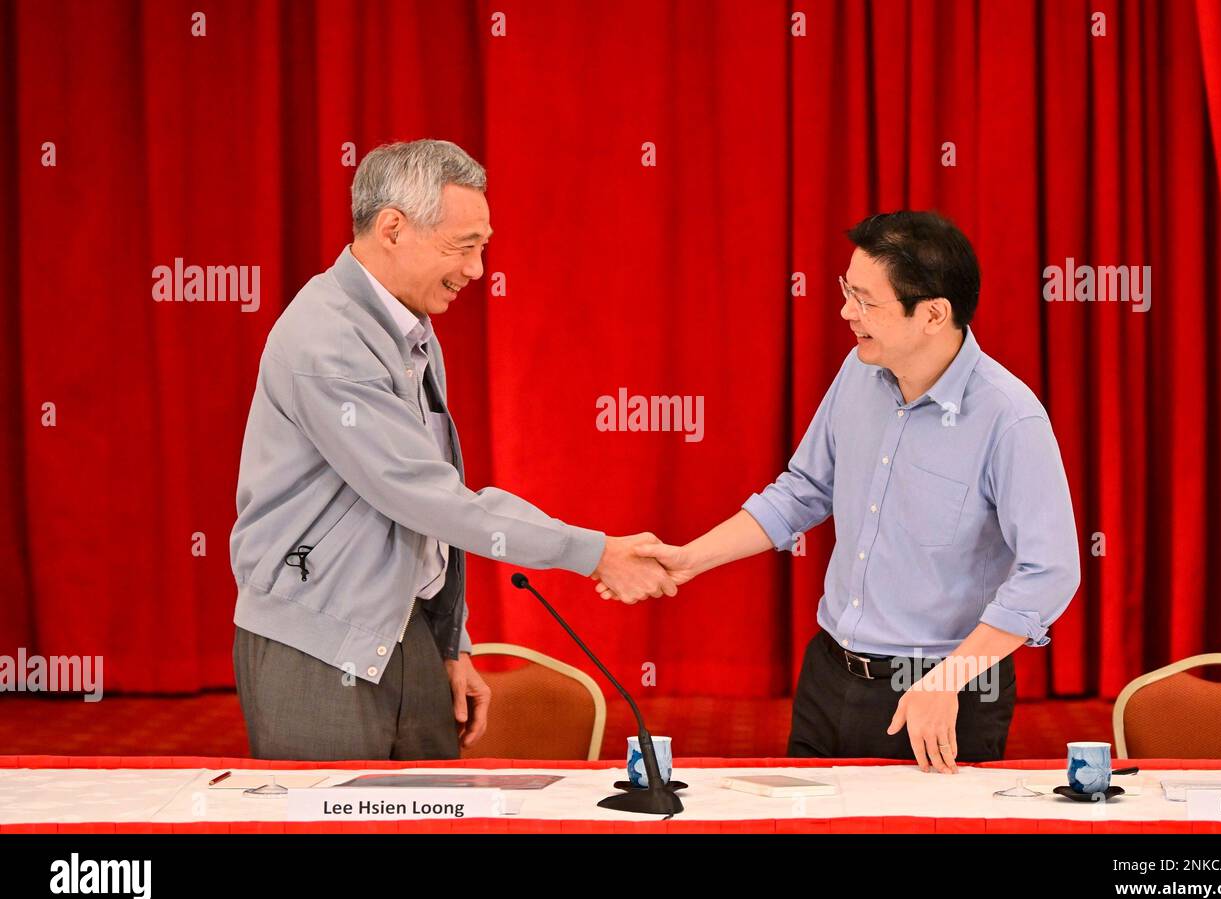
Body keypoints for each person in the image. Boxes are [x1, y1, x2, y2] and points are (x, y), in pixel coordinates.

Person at [229, 139, 674, 761]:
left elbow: (421, 516)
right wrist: (592, 552)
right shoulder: (326, 338)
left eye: (481, 248)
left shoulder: (409, 327)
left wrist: (448, 643)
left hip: (402, 634)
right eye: (462, 247)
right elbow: (426, 497)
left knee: (435, 817)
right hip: (318, 643)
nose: (475, 269)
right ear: (392, 228)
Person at [614, 211, 1081, 771]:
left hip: (939, 688)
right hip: (830, 674)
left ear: (933, 314)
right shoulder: (859, 373)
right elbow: (803, 490)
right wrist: (692, 557)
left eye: (865, 300)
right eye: (845, 292)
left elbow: (1051, 571)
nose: (845, 313)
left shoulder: (1009, 418)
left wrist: (948, 681)